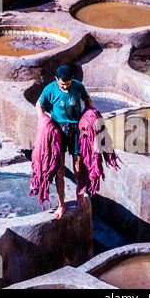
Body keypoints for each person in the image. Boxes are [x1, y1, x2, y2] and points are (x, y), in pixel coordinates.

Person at [36, 65, 93, 219]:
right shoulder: (50, 90)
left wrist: (90, 115)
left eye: (68, 84)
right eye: (63, 85)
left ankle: (80, 193)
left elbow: (87, 99)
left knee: (78, 166)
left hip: (75, 128)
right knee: (59, 170)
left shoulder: (78, 86)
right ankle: (62, 204)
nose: (66, 87)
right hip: (58, 130)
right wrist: (43, 122)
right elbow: (39, 105)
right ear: (56, 80)